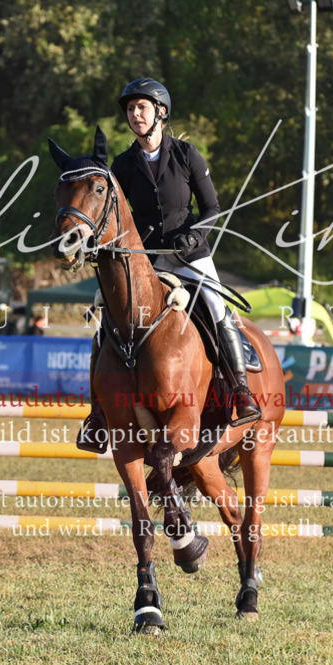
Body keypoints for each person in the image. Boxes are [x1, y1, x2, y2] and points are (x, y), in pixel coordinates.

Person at [77, 78, 260, 452]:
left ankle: (240, 390)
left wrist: (193, 236)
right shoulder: (124, 165)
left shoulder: (187, 155)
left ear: (160, 111)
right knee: (103, 315)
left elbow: (212, 209)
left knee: (216, 307)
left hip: (190, 254)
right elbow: (113, 213)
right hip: (143, 259)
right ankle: (97, 413)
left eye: (141, 107)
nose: (134, 114)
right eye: (130, 109)